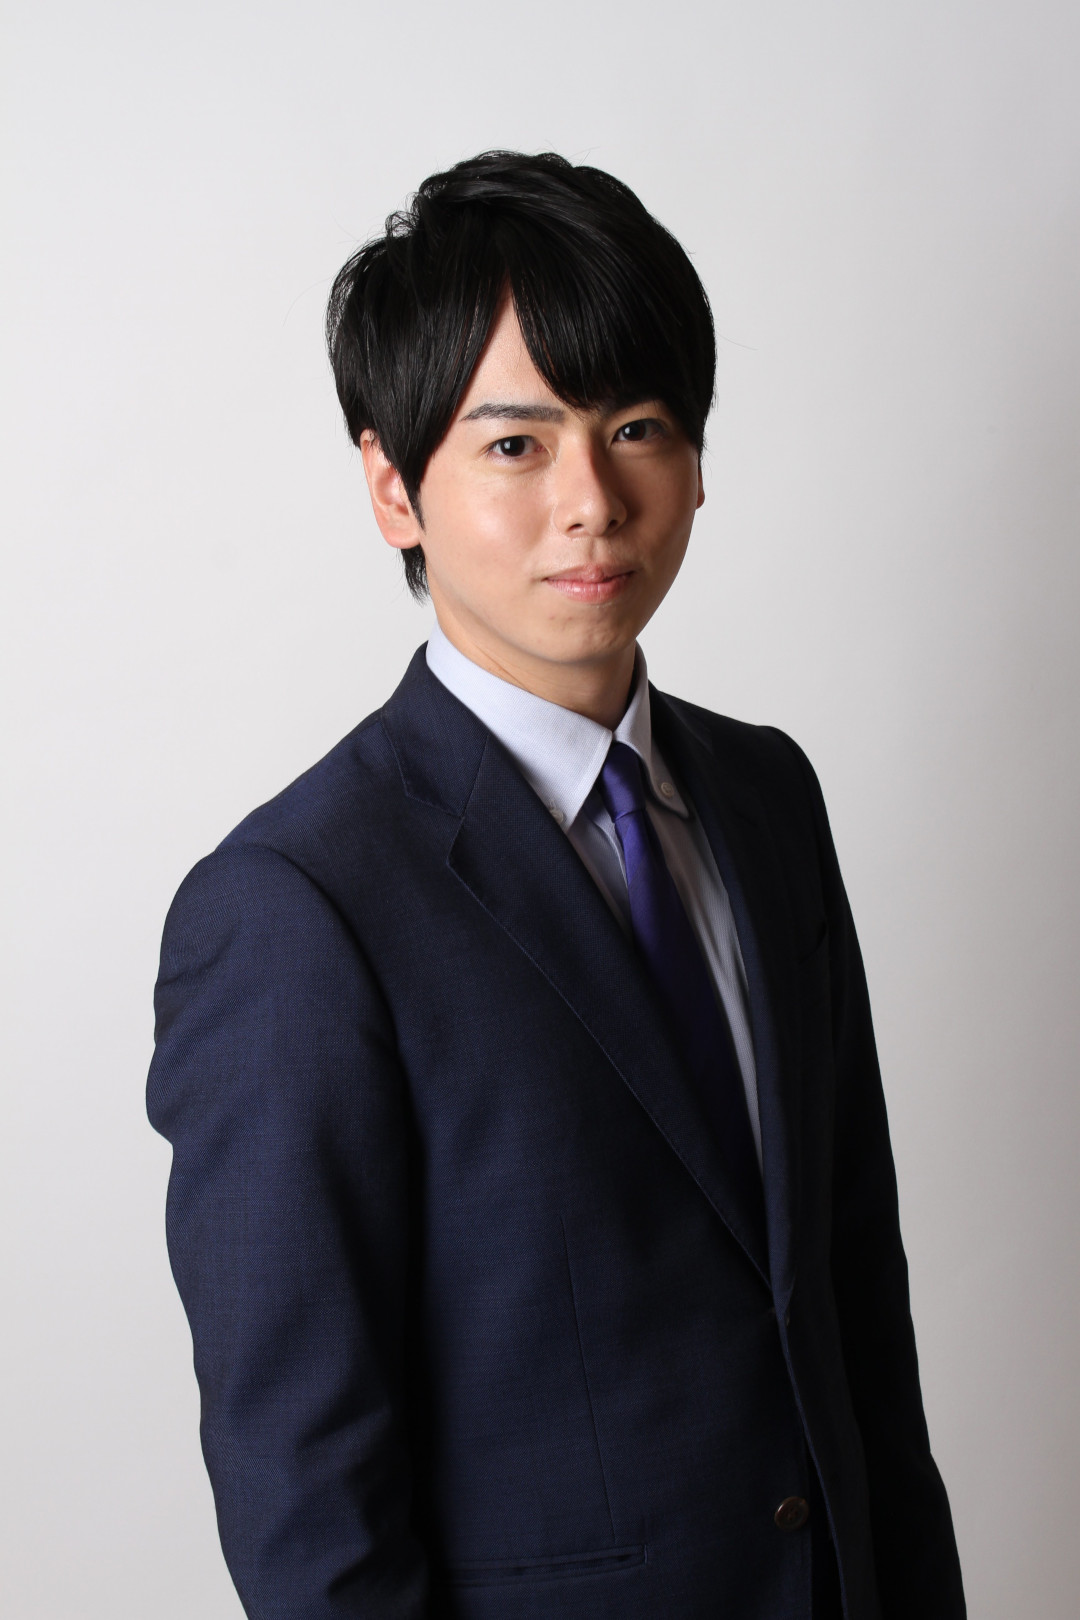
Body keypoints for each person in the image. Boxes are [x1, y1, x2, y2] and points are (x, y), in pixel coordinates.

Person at [147, 151, 966, 1620]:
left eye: (636, 427)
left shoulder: (767, 798)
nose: (592, 500)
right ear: (393, 487)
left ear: (697, 461)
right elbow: (306, 1494)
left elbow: (857, 1313)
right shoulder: (294, 906)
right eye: (516, 444)